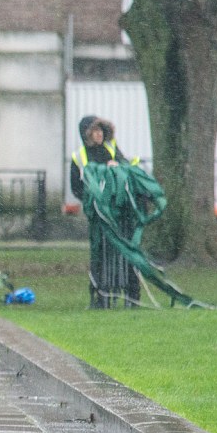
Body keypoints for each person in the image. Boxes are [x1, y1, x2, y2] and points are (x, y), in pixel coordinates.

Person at [70, 115, 140, 307]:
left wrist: (117, 168)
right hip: (98, 214)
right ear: (87, 134)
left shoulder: (112, 149)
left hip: (120, 212)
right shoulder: (80, 157)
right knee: (99, 253)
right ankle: (100, 294)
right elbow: (76, 186)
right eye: (95, 131)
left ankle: (131, 294)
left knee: (126, 251)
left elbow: (128, 168)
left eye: (101, 130)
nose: (99, 134)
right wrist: (92, 198)